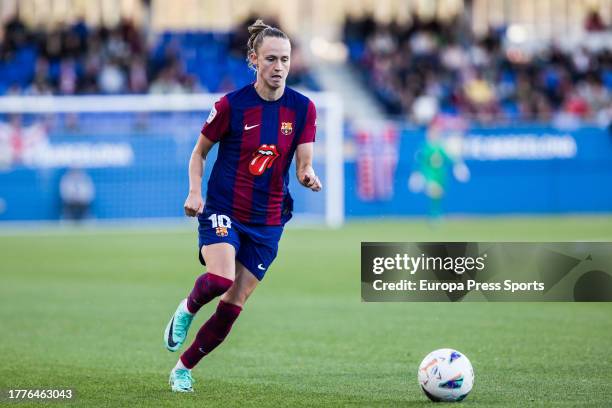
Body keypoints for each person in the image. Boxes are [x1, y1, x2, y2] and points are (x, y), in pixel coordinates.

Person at [163, 19, 322, 393]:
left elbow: (304, 163)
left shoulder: (303, 108)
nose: (279, 66)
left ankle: (183, 368)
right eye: (271, 59)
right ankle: (186, 308)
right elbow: (199, 153)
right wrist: (194, 192)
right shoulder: (231, 105)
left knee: (235, 303)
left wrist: (308, 175)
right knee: (221, 279)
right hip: (224, 208)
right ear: (254, 60)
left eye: (284, 58)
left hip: (268, 220)